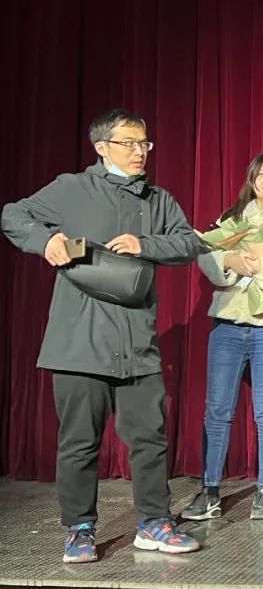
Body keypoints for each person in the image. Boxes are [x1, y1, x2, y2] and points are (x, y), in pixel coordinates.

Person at [2, 108, 203, 562]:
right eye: (128, 143)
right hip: (78, 342)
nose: (139, 152)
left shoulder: (158, 199)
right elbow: (13, 214)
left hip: (137, 343)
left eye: (144, 143)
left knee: (150, 438)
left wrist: (144, 244)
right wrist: (45, 241)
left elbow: (189, 242)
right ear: (101, 147)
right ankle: (79, 529)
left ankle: (154, 523)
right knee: (79, 442)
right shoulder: (72, 189)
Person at [182, 153, 263, 521]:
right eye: (261, 174)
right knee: (217, 410)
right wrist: (228, 261)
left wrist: (260, 265)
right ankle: (210, 491)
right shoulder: (233, 217)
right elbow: (208, 256)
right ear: (251, 180)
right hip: (228, 323)